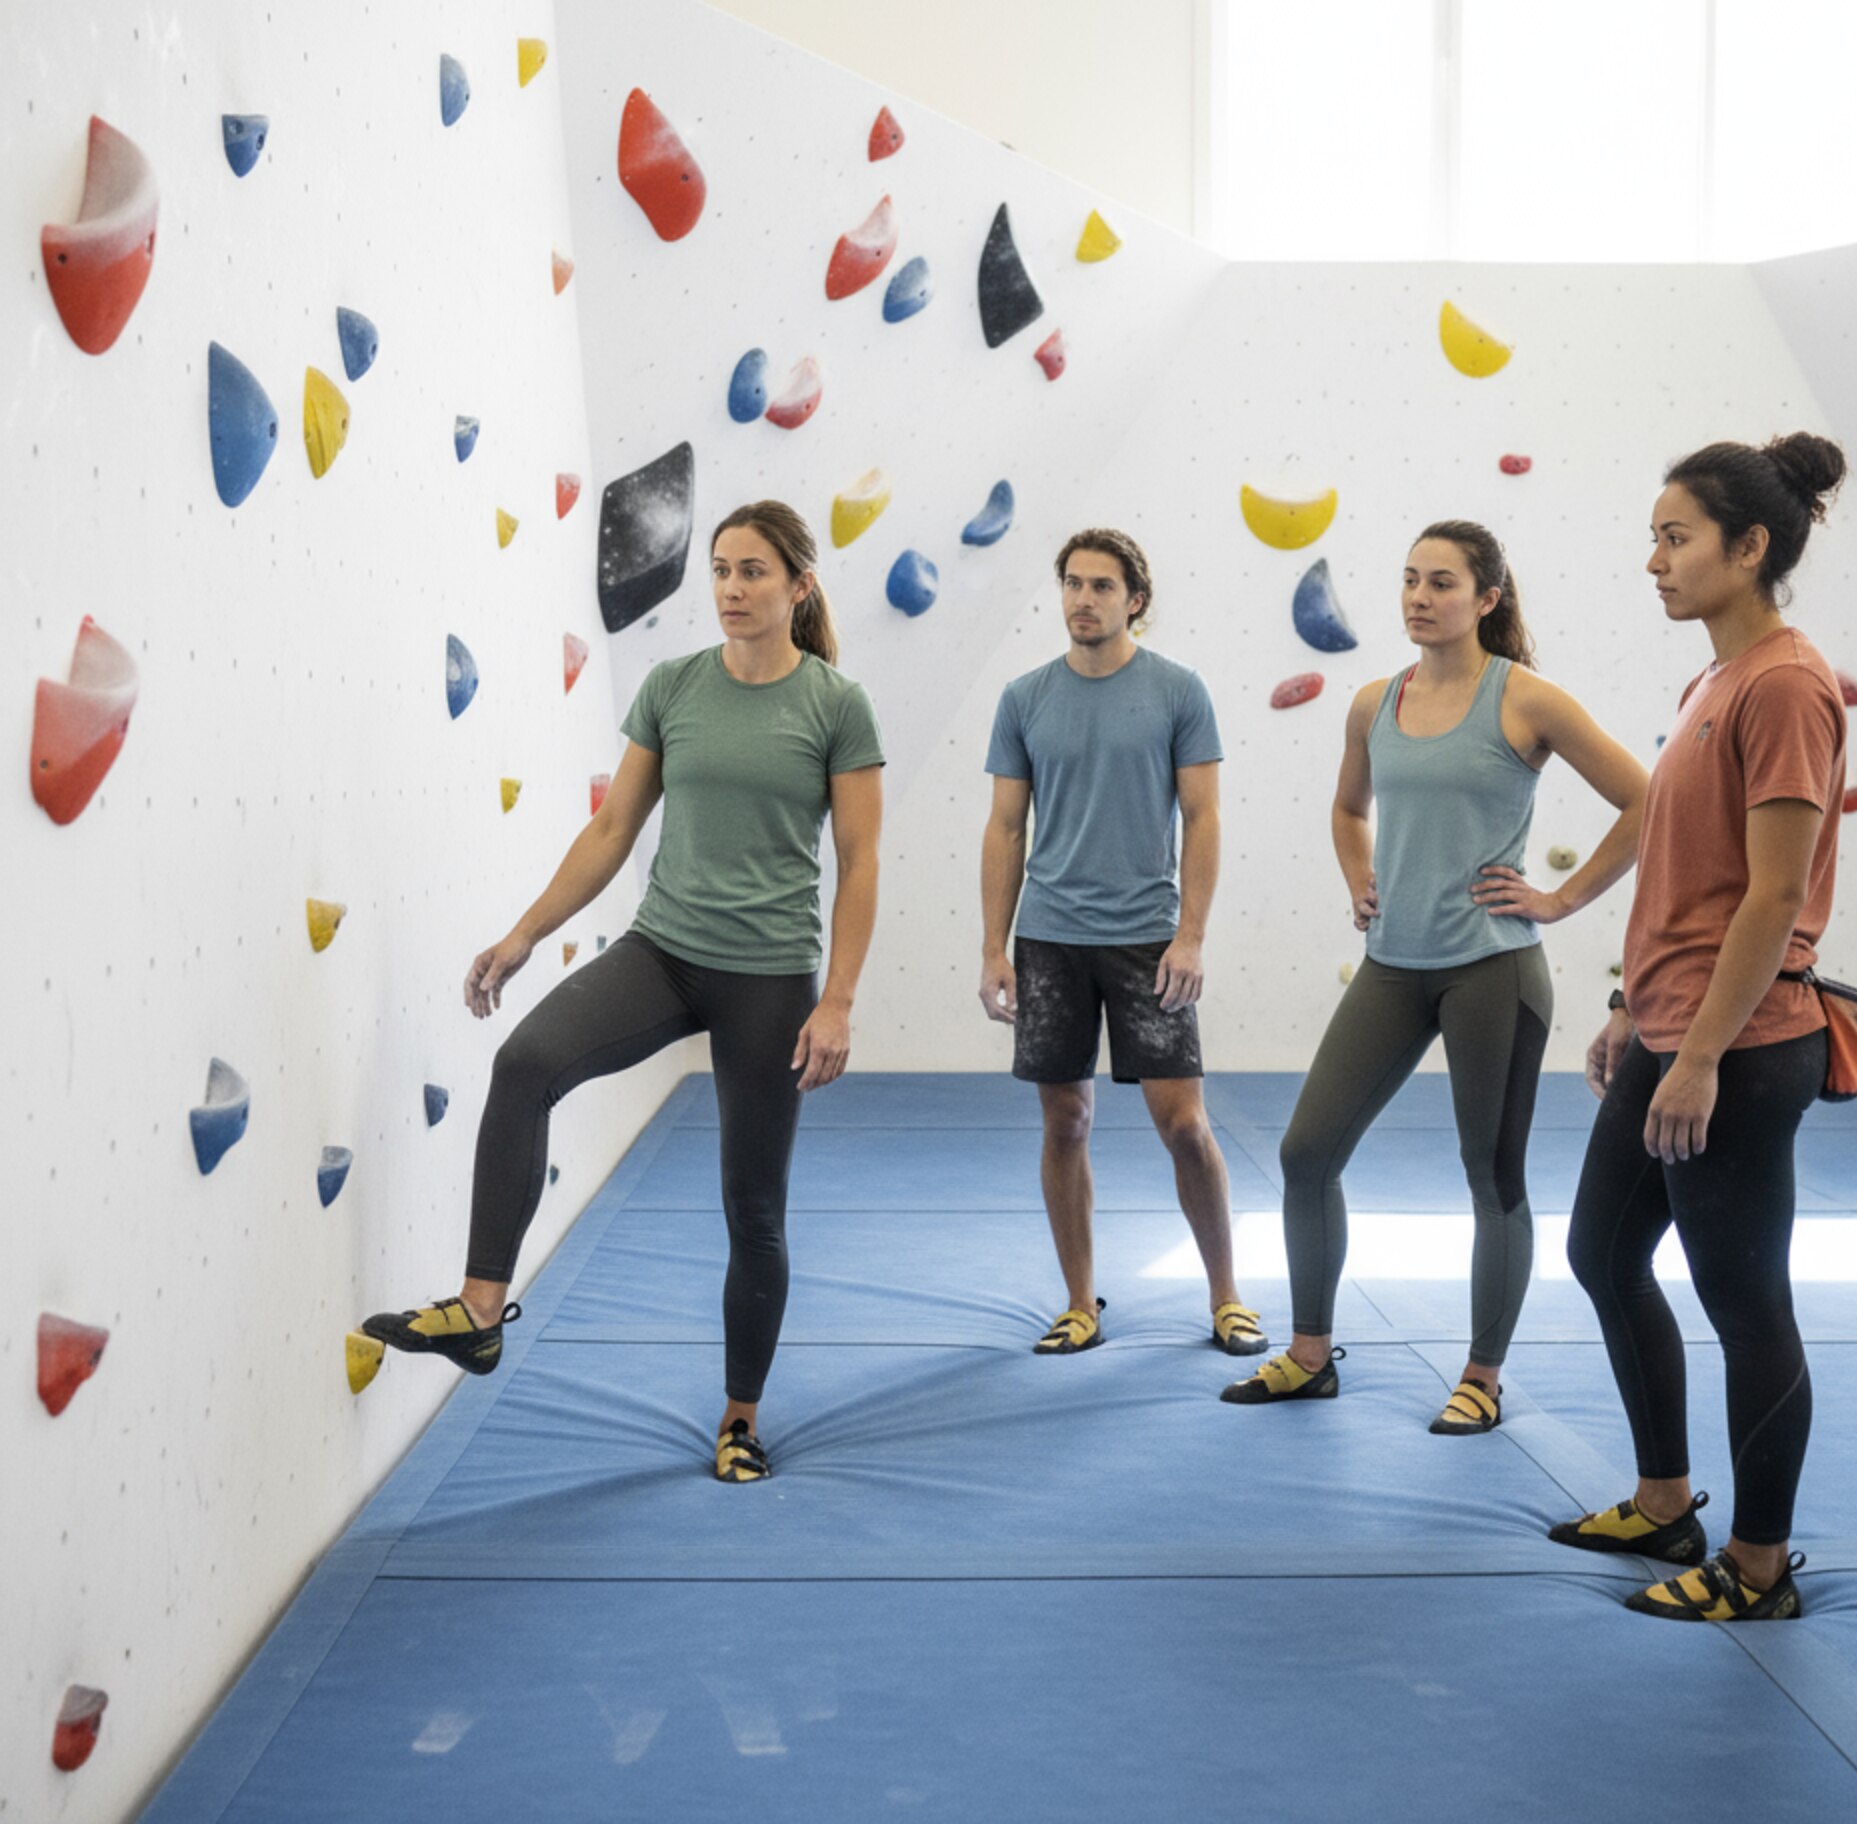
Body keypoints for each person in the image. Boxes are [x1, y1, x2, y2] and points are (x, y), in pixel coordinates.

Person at [357, 502, 885, 1486]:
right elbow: (608, 835)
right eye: (721, 570)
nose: (730, 588)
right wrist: (523, 934)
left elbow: (858, 862)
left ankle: (739, 1416)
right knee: (523, 1062)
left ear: (797, 588)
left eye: (754, 572)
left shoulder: (835, 705)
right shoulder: (672, 685)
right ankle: (478, 1310)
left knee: (752, 1208)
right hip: (663, 951)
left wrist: (839, 998)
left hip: (769, 977)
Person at [1222, 522, 1647, 1427]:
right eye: (1410, 580)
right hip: (1393, 965)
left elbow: (1649, 802)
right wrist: (1357, 876)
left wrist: (1562, 899)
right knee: (1306, 1154)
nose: (1419, 596)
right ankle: (1309, 1353)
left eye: (1442, 583)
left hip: (1493, 969)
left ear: (1487, 598)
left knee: (1490, 1178)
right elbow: (1347, 809)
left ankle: (1482, 1378)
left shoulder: (1529, 701)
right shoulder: (1374, 701)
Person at [1549, 434, 1849, 1622]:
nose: (1652, 561)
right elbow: (1688, 873)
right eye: (1655, 536)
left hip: (1740, 1043)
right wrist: (1633, 1007)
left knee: (1743, 1301)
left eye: (1675, 537)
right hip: (1673, 1028)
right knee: (1601, 1252)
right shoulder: (1709, 684)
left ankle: (1759, 1566)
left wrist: (1705, 1056)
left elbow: (1773, 896)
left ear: (1750, 546)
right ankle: (1664, 1497)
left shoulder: (1781, 684)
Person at [979, 528, 1265, 1358]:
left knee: (1184, 1125)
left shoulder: (1179, 690)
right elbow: (1005, 827)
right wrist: (995, 949)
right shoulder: (1025, 697)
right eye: (1072, 583)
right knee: (1064, 1120)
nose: (1082, 599)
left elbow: (1204, 817)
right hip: (1050, 940)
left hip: (1149, 941)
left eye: (1102, 586)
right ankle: (1079, 1303)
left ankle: (1227, 1296)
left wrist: (1192, 936)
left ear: (1134, 599)